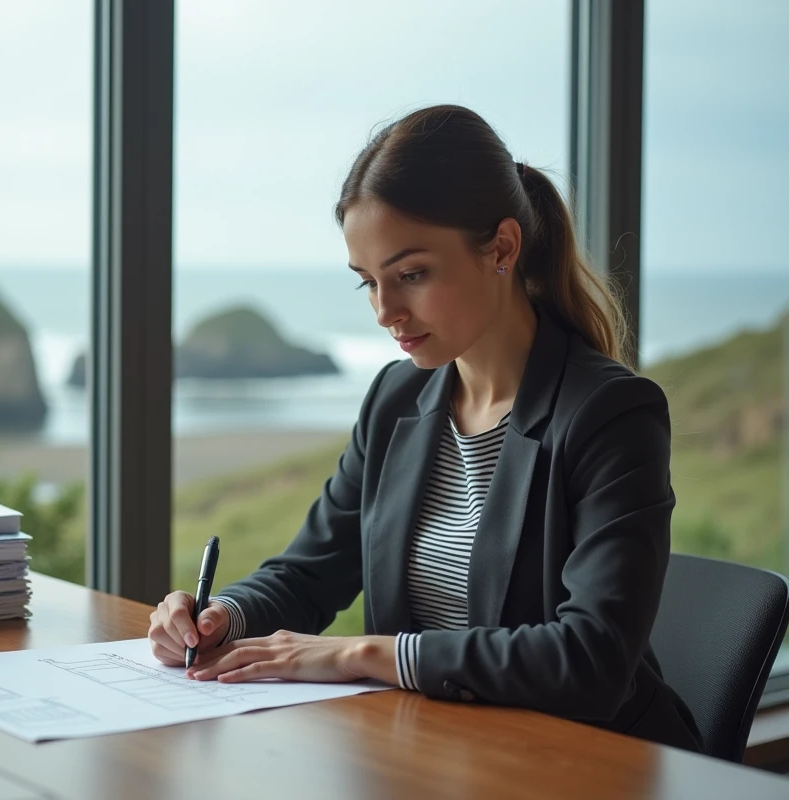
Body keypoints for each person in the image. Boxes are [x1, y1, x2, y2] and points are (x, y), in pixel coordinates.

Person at [147, 104, 702, 752]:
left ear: (501, 247)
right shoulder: (395, 398)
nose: (386, 311)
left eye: (411, 275)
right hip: (436, 756)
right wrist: (221, 616)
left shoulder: (612, 415)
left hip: (584, 765)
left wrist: (361, 654)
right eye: (368, 284)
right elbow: (311, 571)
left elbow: (591, 660)